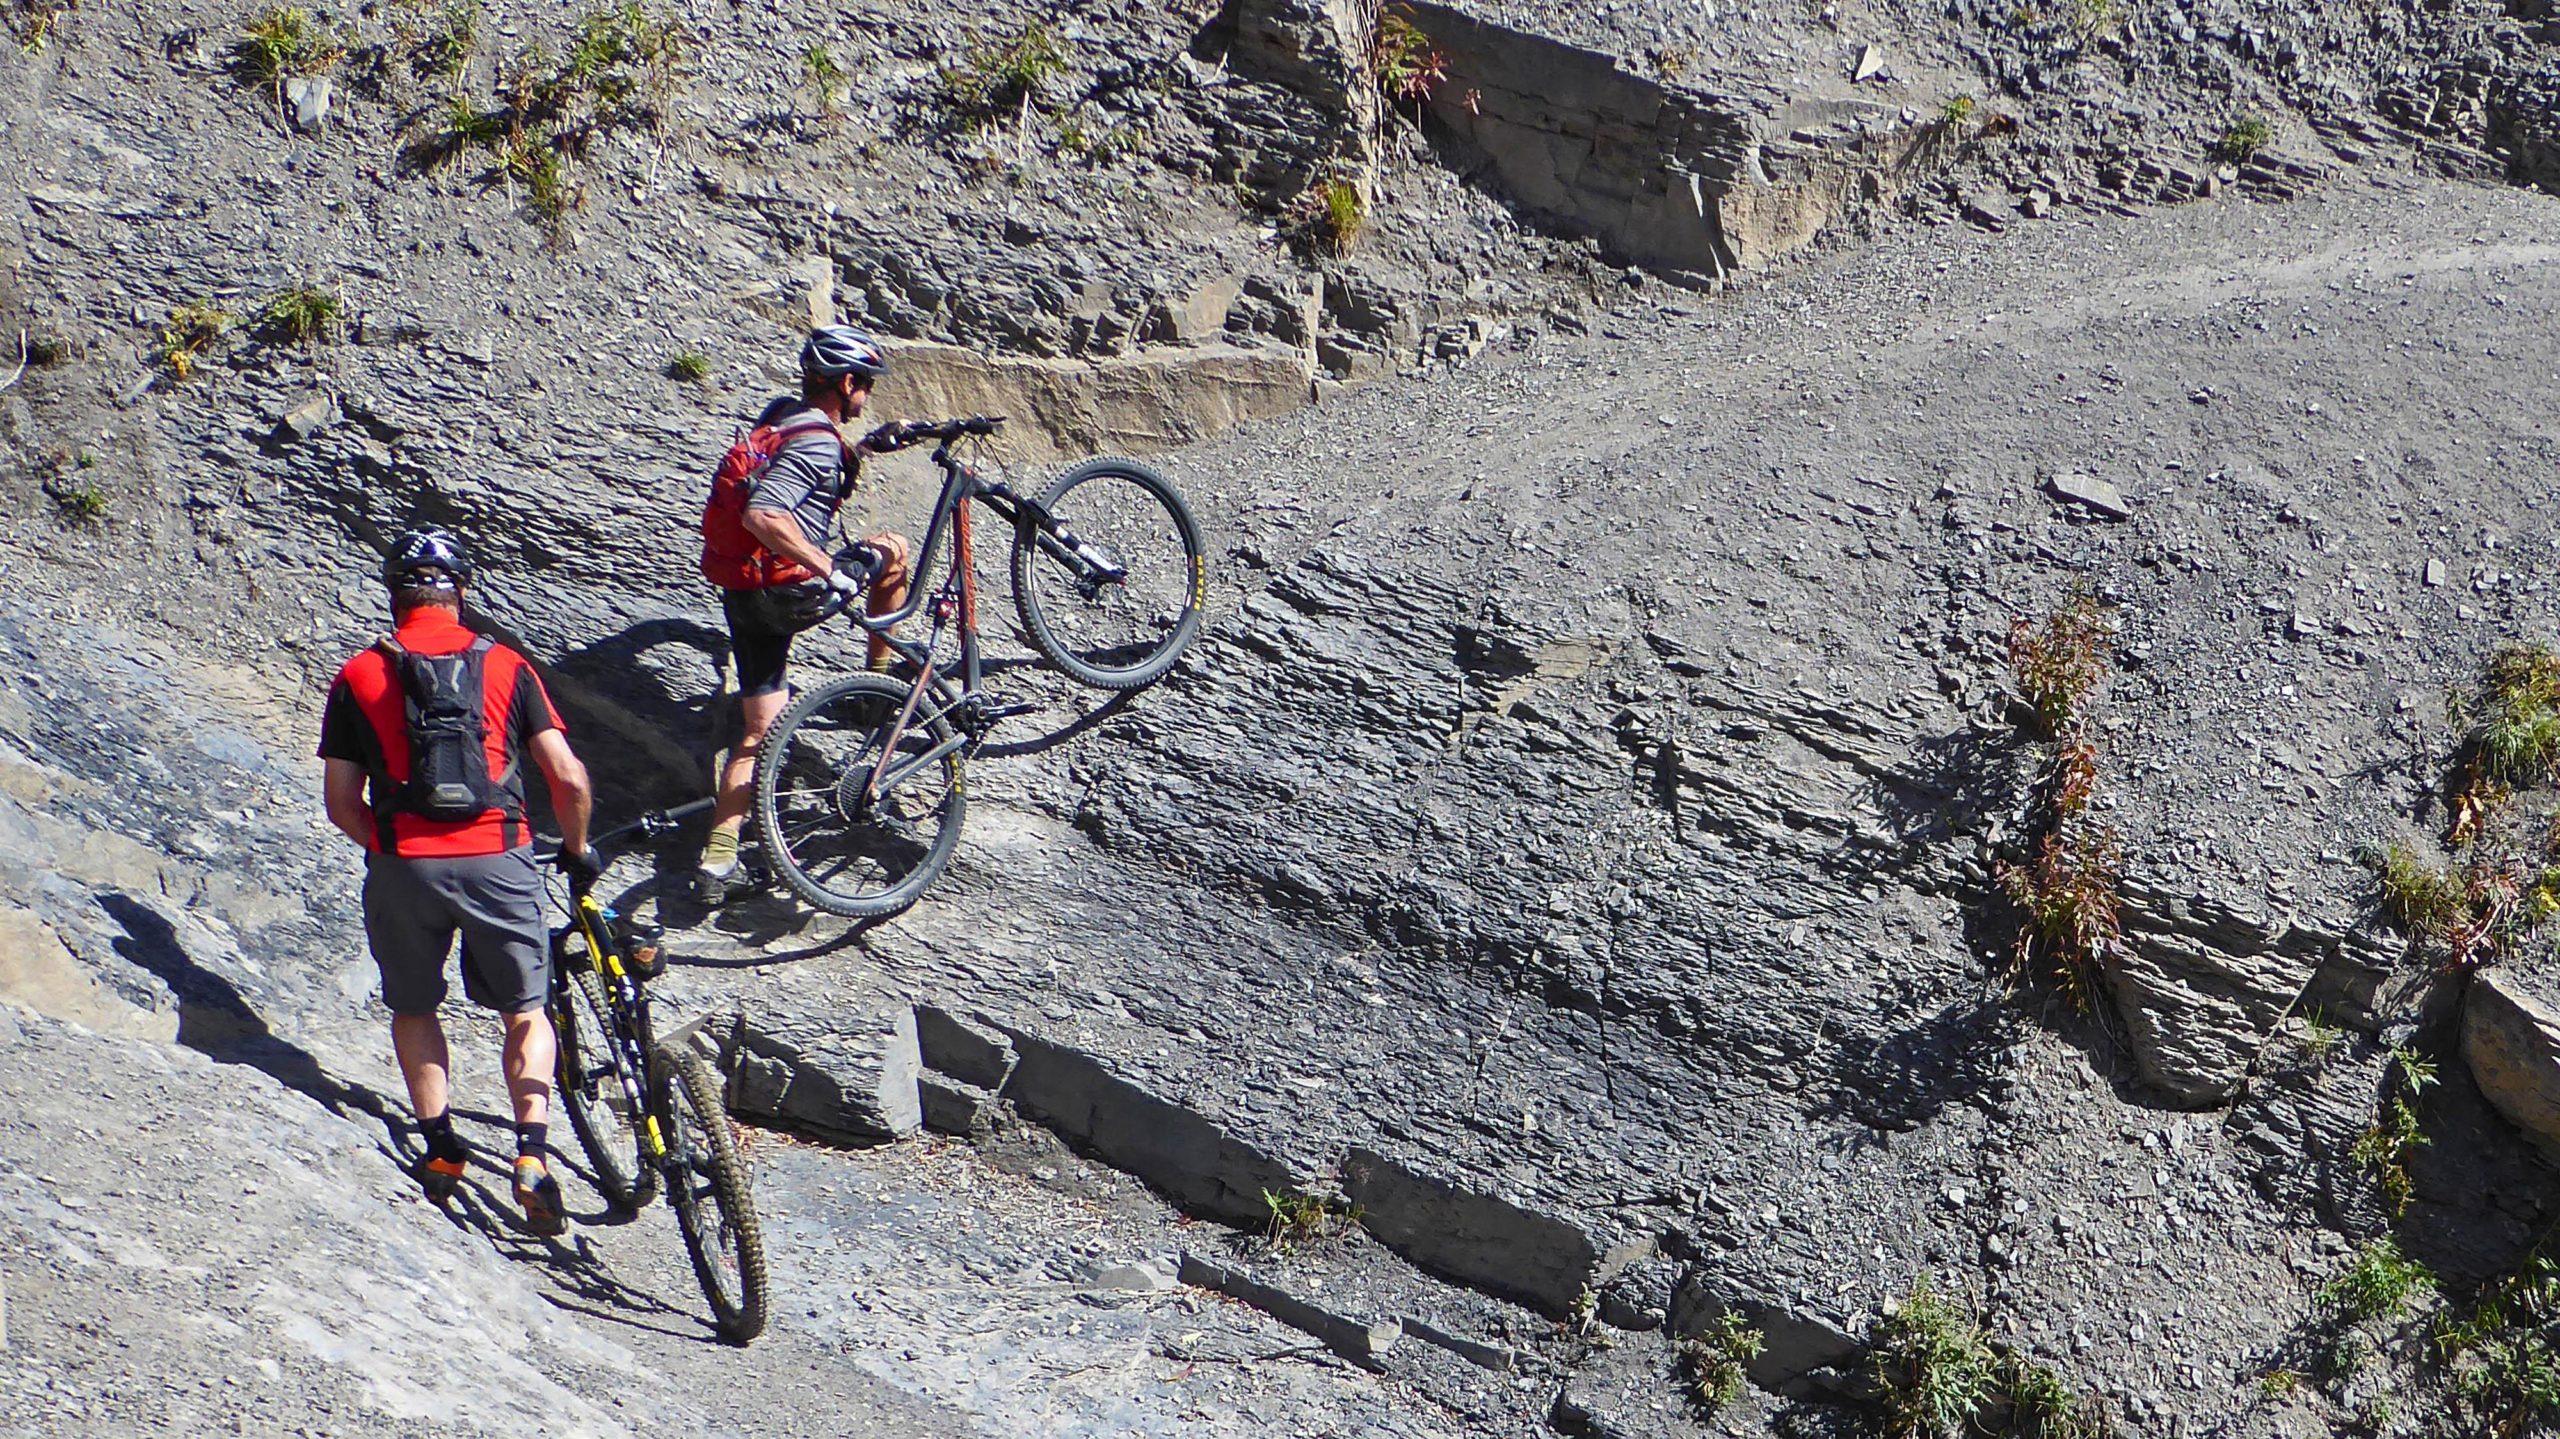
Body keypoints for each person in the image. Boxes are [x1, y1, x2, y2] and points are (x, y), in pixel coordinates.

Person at [317, 527, 598, 1236]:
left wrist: (391, 845)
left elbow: (340, 802)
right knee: (526, 1009)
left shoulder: (358, 674)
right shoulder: (506, 665)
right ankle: (530, 1155)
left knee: (414, 1006)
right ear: (461, 591)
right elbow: (566, 775)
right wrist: (577, 845)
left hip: (403, 862)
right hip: (500, 856)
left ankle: (442, 1149)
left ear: (395, 595)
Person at [693, 325, 916, 904]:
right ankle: (878, 687)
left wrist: (864, 450)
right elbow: (765, 515)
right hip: (791, 593)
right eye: (865, 383)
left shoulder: (783, 418)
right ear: (845, 382)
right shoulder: (817, 442)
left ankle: (716, 864)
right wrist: (828, 567)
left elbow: (798, 476)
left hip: (744, 595)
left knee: (758, 732)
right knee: (893, 551)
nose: (867, 394)